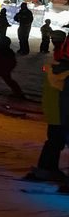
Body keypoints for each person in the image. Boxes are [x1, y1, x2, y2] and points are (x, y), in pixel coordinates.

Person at [29, 37, 69, 182]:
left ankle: (46, 168)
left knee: (54, 142)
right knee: (55, 142)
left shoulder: (56, 68)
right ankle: (47, 170)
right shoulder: (66, 74)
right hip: (62, 114)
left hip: (54, 113)